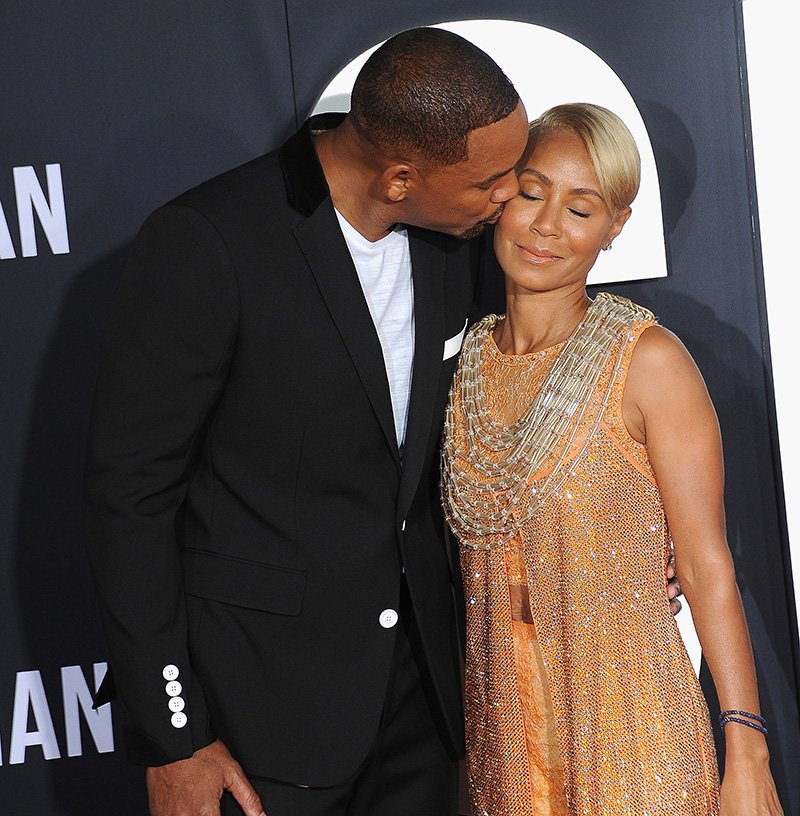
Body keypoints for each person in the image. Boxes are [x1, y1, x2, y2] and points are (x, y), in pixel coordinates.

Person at [83, 26, 530, 816]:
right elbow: (130, 497)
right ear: (399, 177)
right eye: (488, 183)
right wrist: (174, 735)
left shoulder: (453, 246)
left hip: (423, 714)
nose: (508, 199)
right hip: (258, 722)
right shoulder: (210, 243)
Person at [441, 103, 784, 815]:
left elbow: (705, 564)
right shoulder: (461, 363)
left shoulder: (647, 362)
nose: (546, 226)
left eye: (581, 208)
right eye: (531, 194)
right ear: (500, 198)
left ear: (614, 227)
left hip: (635, 739)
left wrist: (746, 749)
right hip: (503, 746)